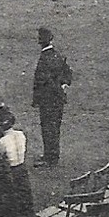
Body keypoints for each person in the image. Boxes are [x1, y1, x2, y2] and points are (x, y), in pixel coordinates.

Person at [31, 26, 72, 167]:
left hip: (48, 100)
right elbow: (68, 74)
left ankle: (50, 158)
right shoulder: (58, 55)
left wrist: (37, 99)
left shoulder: (44, 59)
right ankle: (52, 155)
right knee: (55, 128)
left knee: (48, 128)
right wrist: (63, 86)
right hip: (58, 100)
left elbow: (41, 81)